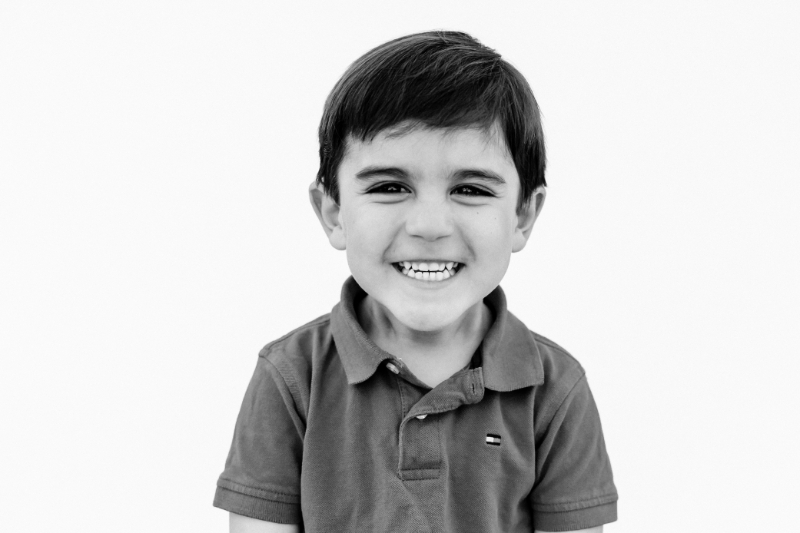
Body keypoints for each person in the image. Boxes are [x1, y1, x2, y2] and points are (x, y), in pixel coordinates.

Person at [213, 30, 618, 533]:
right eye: (389, 187)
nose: (429, 225)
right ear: (334, 213)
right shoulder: (292, 376)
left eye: (469, 189)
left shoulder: (554, 389)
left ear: (523, 216)